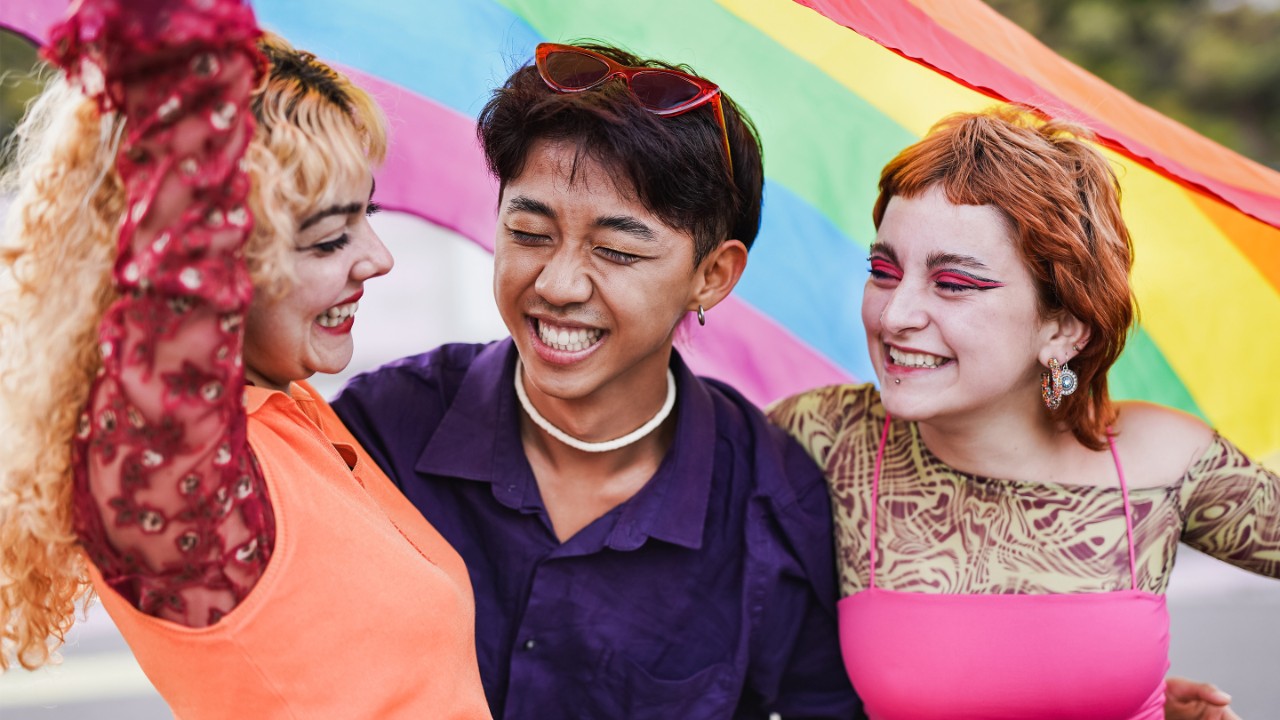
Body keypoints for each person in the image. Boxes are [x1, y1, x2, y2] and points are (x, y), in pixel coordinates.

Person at [332, 41, 861, 719]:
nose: (556, 284)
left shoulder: (774, 505)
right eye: (528, 233)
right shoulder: (381, 434)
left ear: (713, 276)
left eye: (616, 251)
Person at [0, 1, 490, 718]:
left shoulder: (288, 413)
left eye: (367, 219)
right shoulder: (182, 483)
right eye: (328, 240)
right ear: (221, 262)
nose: (378, 260)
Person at [767, 106, 1276, 719]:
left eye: (953, 283)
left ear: (1064, 327)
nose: (894, 315)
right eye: (883, 270)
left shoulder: (1163, 460)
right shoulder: (824, 437)